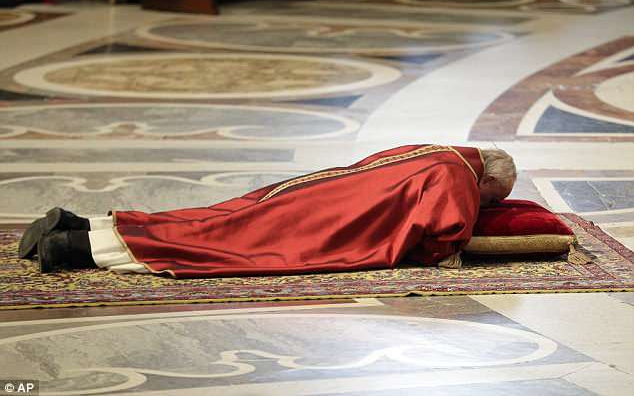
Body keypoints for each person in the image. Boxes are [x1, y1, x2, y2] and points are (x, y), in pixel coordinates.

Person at [18, 144, 516, 277]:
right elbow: (445, 231)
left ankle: (79, 223)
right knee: (226, 244)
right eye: (491, 199)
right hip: (332, 223)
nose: (487, 206)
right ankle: (73, 247)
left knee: (217, 218)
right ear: (488, 179)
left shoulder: (437, 150)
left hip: (315, 192)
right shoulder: (458, 178)